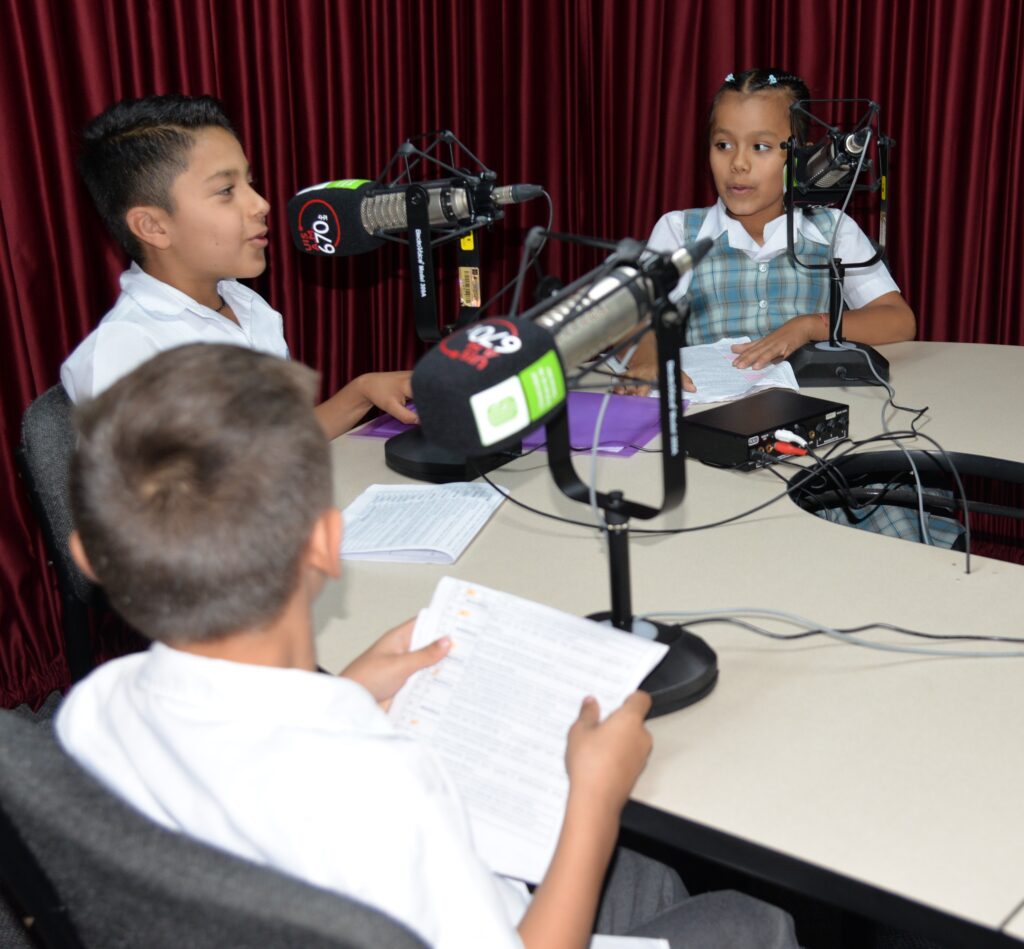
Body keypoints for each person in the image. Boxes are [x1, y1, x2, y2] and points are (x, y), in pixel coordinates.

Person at [55, 342, 801, 949]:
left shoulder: (90, 710)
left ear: (88, 555)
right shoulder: (381, 782)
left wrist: (345, 687)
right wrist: (594, 800)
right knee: (756, 922)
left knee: (652, 881)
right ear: (325, 542)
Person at [60, 94, 415, 439]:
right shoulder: (126, 354)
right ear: (154, 227)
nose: (260, 204)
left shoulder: (242, 302)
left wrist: (362, 392)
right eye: (226, 190)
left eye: (250, 183)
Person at [621, 67, 915, 395]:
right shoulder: (680, 231)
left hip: (814, 402)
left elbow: (899, 321)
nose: (738, 164)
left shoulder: (833, 228)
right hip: (710, 410)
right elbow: (629, 322)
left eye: (760, 147)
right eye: (723, 144)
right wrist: (646, 361)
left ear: (803, 154)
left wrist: (808, 326)